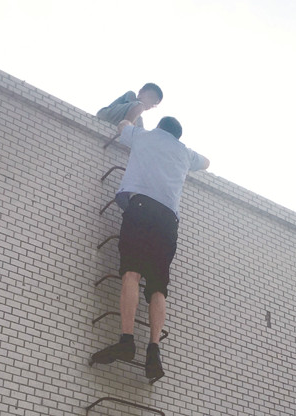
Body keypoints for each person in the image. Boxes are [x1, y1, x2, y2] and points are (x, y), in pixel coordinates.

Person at [91, 116, 210, 380]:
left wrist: (130, 117)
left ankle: (127, 339)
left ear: (159, 127)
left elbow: (123, 126)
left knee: (131, 273)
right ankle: (154, 348)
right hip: (168, 221)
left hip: (141, 209)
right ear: (177, 136)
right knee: (158, 287)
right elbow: (206, 162)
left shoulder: (143, 136)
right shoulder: (185, 152)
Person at [96, 83, 163, 127]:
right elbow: (132, 108)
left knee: (140, 123)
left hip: (115, 123)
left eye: (153, 104)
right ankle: (125, 130)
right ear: (141, 92)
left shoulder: (139, 119)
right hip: (106, 114)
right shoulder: (131, 95)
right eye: (150, 97)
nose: (150, 103)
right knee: (140, 106)